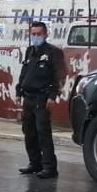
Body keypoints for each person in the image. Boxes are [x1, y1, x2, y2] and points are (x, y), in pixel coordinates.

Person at [16, 20, 67, 180]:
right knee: (29, 132)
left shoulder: (53, 52)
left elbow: (59, 75)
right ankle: (34, 163)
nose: (36, 37)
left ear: (46, 34)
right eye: (33, 34)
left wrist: (53, 95)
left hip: (42, 98)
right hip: (28, 97)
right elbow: (24, 72)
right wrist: (19, 91)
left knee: (43, 133)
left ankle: (50, 167)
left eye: (39, 34)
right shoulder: (30, 51)